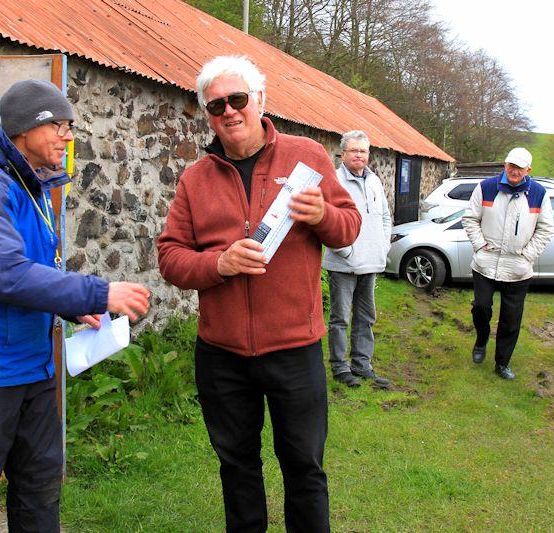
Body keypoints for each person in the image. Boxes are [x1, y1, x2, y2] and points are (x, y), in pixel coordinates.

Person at [0, 79, 150, 532]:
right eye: (59, 126)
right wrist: (99, 293)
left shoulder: (33, 186)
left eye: (70, 126)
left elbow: (35, 272)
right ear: (24, 130)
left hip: (32, 371)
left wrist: (69, 307)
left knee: (40, 487)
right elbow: (4, 274)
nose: (69, 136)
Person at [157, 55, 361, 532]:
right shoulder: (196, 178)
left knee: (304, 468)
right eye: (216, 105)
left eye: (238, 99)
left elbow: (349, 227)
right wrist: (218, 263)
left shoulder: (307, 156)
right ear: (208, 114)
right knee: (237, 468)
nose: (228, 111)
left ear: (261, 101)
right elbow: (170, 257)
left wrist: (321, 217)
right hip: (222, 354)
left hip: (294, 347)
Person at [462, 147, 554, 380]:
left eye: (519, 167)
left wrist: (528, 254)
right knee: (481, 307)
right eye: (511, 165)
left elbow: (545, 228)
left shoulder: (538, 193)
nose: (514, 171)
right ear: (505, 165)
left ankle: (502, 363)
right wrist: (480, 245)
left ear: (528, 170)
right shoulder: (486, 187)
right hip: (486, 262)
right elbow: (470, 218)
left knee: (511, 319)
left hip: (518, 267)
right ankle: (481, 339)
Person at [322, 131, 392, 388]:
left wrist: (382, 247)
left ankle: (362, 365)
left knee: (366, 316)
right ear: (343, 154)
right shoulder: (333, 181)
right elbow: (326, 223)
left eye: (363, 151)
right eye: (354, 151)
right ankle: (340, 367)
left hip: (370, 262)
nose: (359, 155)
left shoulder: (374, 181)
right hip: (343, 264)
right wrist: (347, 251)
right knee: (340, 318)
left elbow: (385, 216)